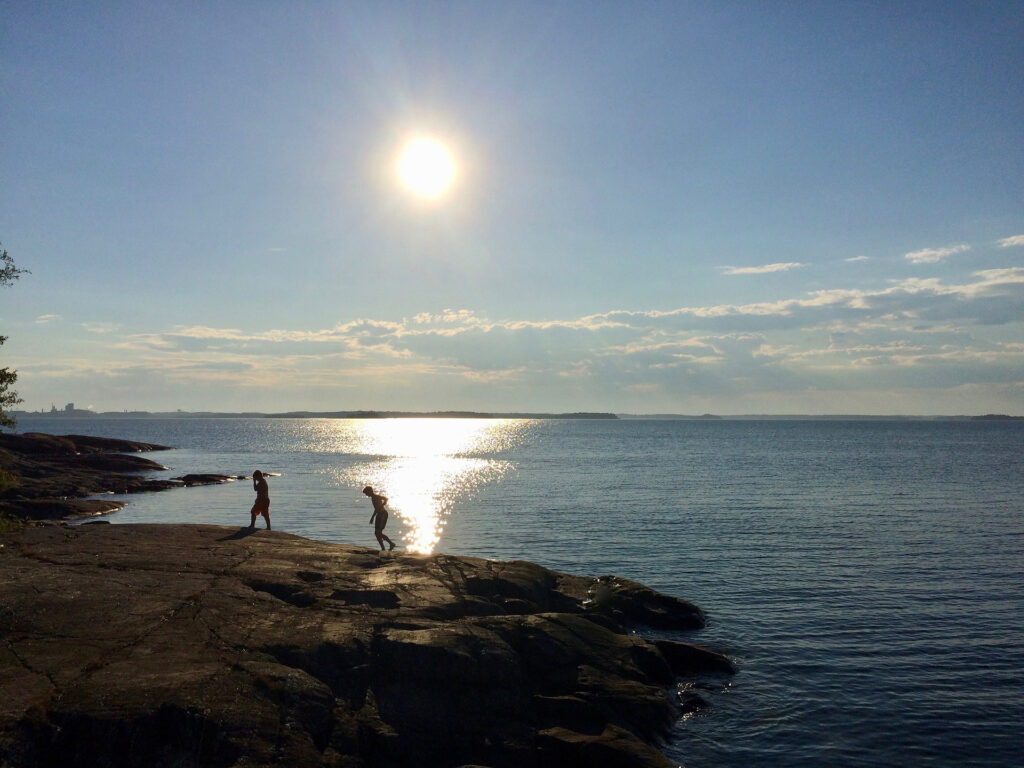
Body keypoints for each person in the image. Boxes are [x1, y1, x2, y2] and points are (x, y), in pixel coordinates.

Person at [363, 485, 395, 551]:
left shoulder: (376, 497)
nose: (366, 495)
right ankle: (383, 548)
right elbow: (376, 509)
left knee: (378, 532)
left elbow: (386, 498)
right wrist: (372, 517)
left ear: (370, 491)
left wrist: (383, 504)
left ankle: (391, 544)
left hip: (383, 514)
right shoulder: (373, 498)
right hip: (379, 514)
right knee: (376, 533)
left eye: (366, 493)